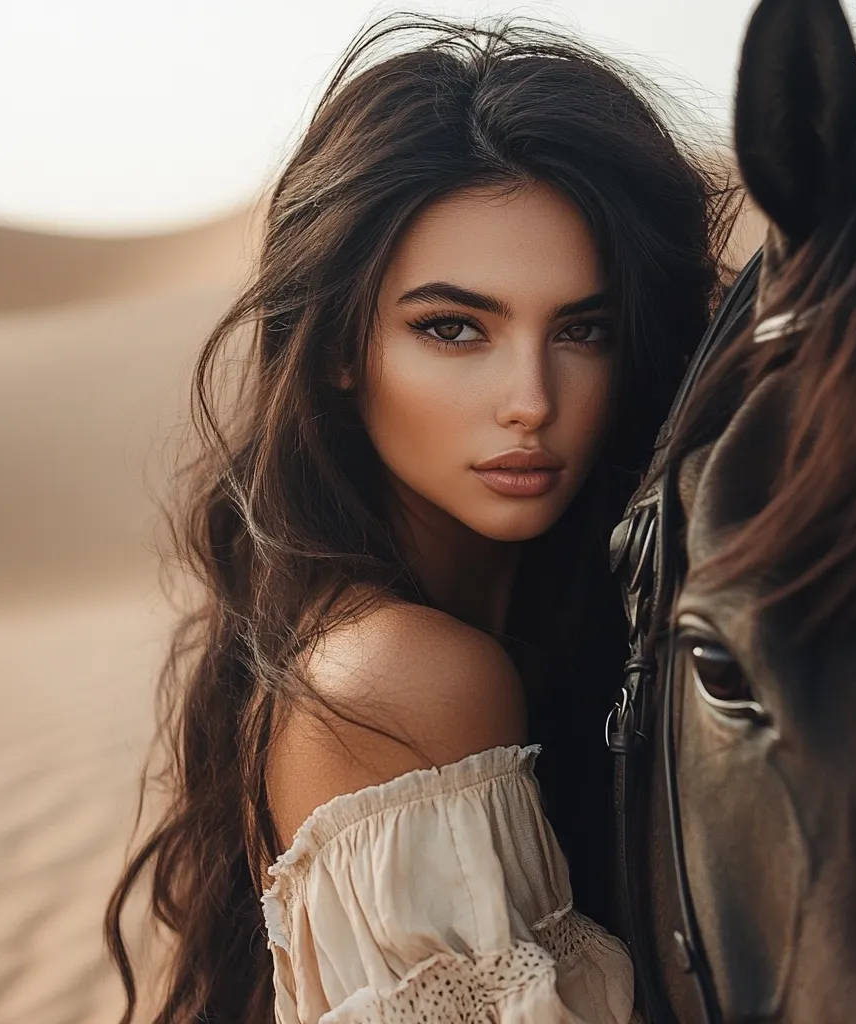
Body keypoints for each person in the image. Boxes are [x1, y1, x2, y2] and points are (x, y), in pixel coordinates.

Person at [105, 15, 734, 1024]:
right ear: (340, 347)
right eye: (453, 327)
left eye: (583, 328)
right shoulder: (400, 677)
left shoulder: (470, 625)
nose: (530, 396)